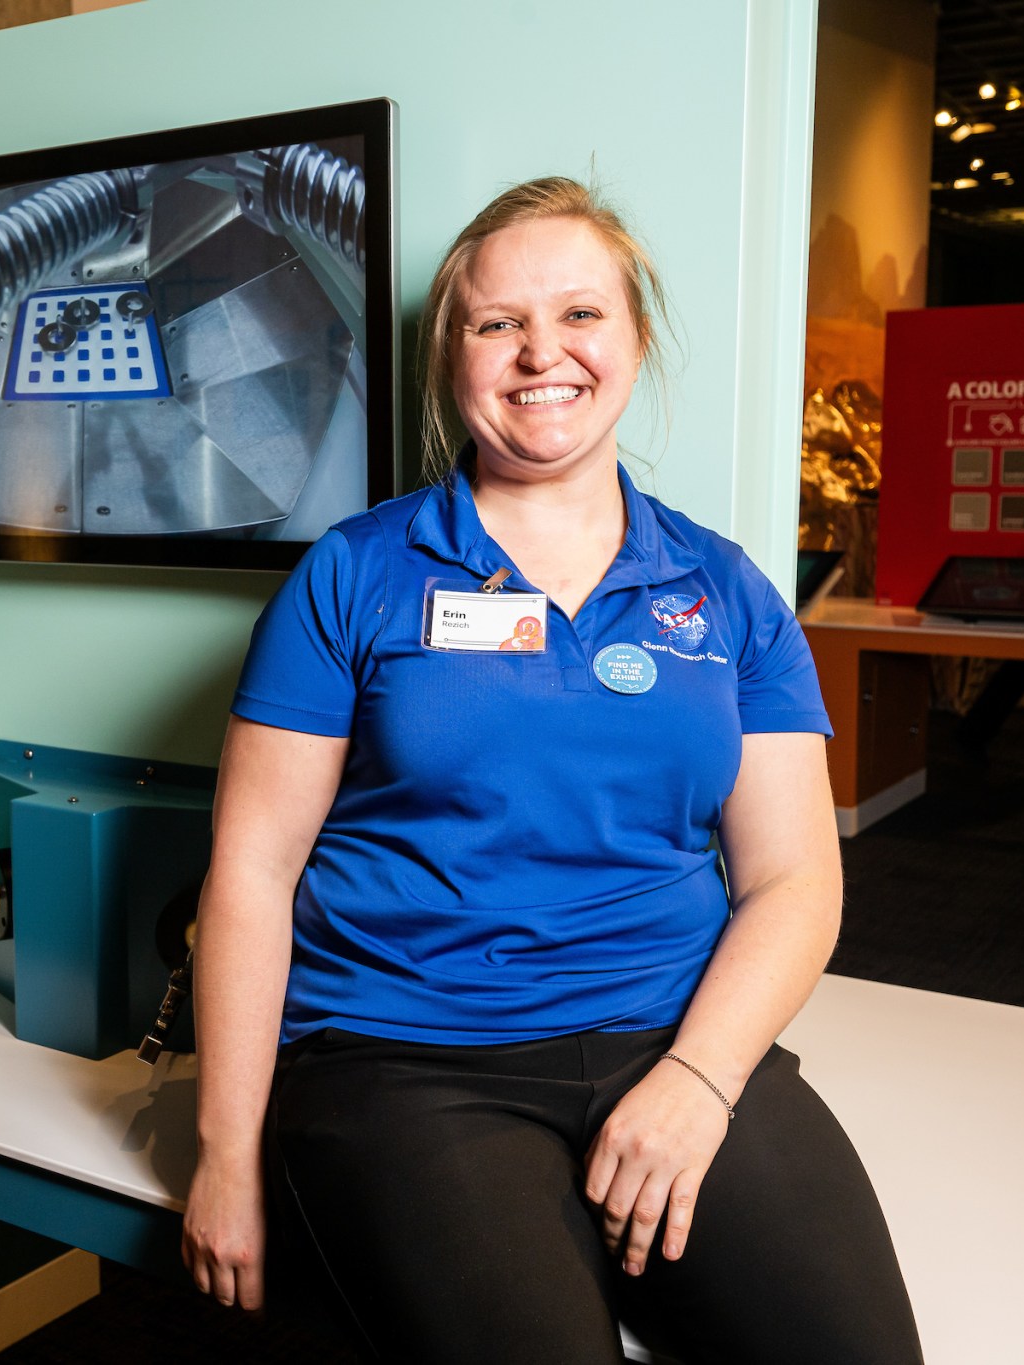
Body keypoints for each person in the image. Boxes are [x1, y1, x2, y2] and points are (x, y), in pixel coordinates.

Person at [180, 179, 922, 1364]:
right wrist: (225, 1152)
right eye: (495, 324)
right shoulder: (354, 574)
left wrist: (698, 1078)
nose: (542, 354)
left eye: (580, 314)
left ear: (631, 339)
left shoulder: (722, 589)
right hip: (404, 1058)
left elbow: (792, 880)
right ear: (452, 357)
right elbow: (252, 872)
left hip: (665, 1031)